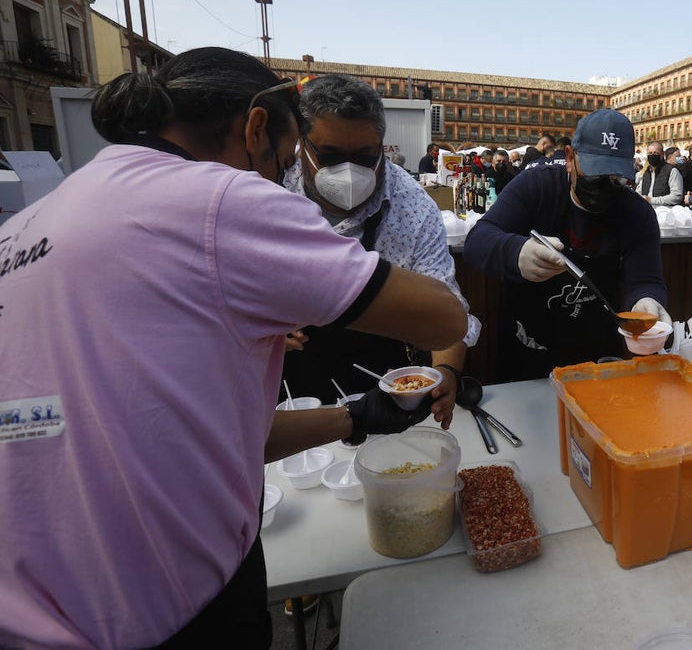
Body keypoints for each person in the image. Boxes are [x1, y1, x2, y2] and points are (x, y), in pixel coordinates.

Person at [0, 48, 467, 650]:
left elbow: (179, 432)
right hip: (159, 608)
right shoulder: (224, 199)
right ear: (256, 129)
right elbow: (444, 317)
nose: (279, 180)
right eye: (289, 157)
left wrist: (354, 417)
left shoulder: (30, 223)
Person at [281, 73, 480, 418]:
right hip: (287, 383)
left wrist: (446, 372)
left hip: (382, 383)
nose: (348, 171)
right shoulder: (271, 186)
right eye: (329, 155)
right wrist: (259, 325)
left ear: (382, 146)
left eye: (364, 155)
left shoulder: (412, 207)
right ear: (303, 143)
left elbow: (446, 308)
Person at [463, 109, 670, 382]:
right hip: (528, 348)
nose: (605, 185)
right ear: (571, 158)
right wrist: (517, 252)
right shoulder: (538, 185)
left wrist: (647, 301)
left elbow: (646, 278)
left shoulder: (636, 213)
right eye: (594, 174)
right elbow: (477, 240)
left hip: (597, 353)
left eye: (617, 178)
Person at [635, 140, 684, 207]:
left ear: (662, 154)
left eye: (655, 153)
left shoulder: (672, 171)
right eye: (650, 153)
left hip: (665, 211)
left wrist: (651, 200)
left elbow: (676, 196)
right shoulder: (646, 172)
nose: (652, 155)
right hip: (647, 210)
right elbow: (639, 192)